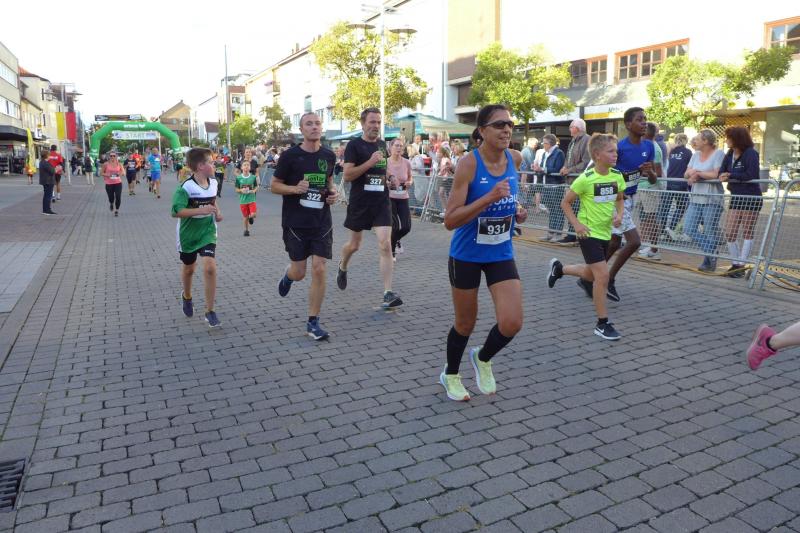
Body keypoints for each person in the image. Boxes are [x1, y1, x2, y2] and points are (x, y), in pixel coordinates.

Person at [440, 104, 528, 401]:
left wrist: (517, 210)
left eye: (510, 124)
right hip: (466, 255)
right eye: (499, 124)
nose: (507, 129)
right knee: (466, 322)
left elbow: (511, 196)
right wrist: (489, 198)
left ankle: (483, 357)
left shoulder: (515, 158)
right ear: (482, 131)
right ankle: (451, 374)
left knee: (512, 322)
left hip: (500, 252)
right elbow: (450, 220)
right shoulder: (469, 164)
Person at [547, 134, 625, 340]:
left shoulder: (617, 176)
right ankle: (602, 323)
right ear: (597, 155)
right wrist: (577, 225)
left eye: (616, 151)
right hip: (588, 233)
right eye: (611, 151)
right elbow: (565, 203)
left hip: (605, 233)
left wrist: (619, 215)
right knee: (602, 276)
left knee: (590, 274)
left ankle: (559, 269)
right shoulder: (585, 179)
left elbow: (619, 199)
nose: (615, 154)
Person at [271, 112, 338, 340]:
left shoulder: (329, 155)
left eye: (317, 123)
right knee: (299, 272)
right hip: (296, 222)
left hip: (321, 221)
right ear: (301, 130)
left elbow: (329, 182)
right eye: (309, 124)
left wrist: (333, 194)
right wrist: (294, 189)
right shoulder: (290, 156)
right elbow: (274, 185)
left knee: (319, 268)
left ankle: (313, 322)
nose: (314, 127)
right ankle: (288, 276)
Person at [337, 107, 403, 309]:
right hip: (360, 202)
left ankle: (387, 293)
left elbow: (381, 168)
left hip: (381, 201)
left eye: (378, 122)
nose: (376, 126)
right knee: (354, 245)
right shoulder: (354, 146)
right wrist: (370, 161)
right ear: (363, 124)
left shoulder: (382, 144)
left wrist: (391, 177)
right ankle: (343, 265)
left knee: (385, 244)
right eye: (372, 122)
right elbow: (348, 175)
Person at [603, 107, 658, 301]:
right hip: (616, 200)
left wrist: (649, 172)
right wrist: (621, 187)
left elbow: (653, 179)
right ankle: (608, 279)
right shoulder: (619, 148)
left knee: (614, 243)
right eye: (639, 119)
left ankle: (589, 276)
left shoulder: (649, 146)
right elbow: (604, 173)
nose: (644, 123)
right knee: (634, 241)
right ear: (628, 124)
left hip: (631, 199)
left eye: (645, 119)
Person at [171, 147, 222, 328]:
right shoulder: (186, 187)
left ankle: (210, 311)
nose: (214, 164)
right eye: (211, 162)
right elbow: (176, 211)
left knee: (210, 268)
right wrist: (201, 210)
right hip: (188, 234)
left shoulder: (214, 182)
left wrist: (217, 212)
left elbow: (212, 200)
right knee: (189, 269)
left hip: (207, 230)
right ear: (201, 166)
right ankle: (187, 296)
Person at [719, 126, 762, 278]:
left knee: (747, 231)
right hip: (736, 196)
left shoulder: (751, 153)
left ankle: (741, 265)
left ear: (737, 138)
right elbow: (722, 170)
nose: (726, 140)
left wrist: (731, 175)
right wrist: (723, 175)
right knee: (730, 232)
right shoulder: (729, 153)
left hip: (751, 196)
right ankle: (736, 263)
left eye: (729, 137)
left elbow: (751, 174)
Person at [683, 130, 726, 272]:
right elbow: (686, 173)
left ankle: (708, 262)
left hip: (712, 198)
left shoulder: (718, 154)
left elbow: (716, 174)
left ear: (706, 141)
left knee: (709, 231)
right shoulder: (695, 155)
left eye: (697, 139)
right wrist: (693, 173)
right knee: (688, 228)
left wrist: (698, 174)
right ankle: (712, 252)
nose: (694, 141)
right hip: (695, 198)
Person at [555, 119, 591, 245]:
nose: (569, 129)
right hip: (571, 181)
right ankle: (572, 234)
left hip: (580, 181)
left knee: (578, 209)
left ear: (577, 128)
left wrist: (569, 170)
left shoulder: (587, 140)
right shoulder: (572, 141)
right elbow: (568, 158)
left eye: (571, 127)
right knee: (571, 208)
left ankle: (577, 235)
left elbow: (586, 162)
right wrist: (564, 167)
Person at [637, 122, 666, 260]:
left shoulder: (655, 148)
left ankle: (655, 250)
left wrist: (641, 172)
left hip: (650, 189)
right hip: (642, 188)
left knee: (651, 218)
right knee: (645, 219)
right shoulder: (645, 146)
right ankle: (649, 246)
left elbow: (658, 173)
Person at [533, 134, 566, 241]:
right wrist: (538, 168)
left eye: (545, 143)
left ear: (550, 144)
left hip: (556, 185)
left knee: (557, 209)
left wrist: (542, 169)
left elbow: (558, 169)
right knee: (551, 209)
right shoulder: (545, 153)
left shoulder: (559, 153)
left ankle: (558, 234)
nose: (543, 145)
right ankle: (551, 233)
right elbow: (544, 167)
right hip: (546, 184)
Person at [660, 133, 692, 241]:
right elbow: (690, 167)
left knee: (665, 207)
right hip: (680, 183)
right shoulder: (688, 152)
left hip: (669, 182)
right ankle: (671, 228)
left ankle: (662, 231)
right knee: (682, 206)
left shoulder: (671, 151)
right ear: (685, 140)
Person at [387, 138, 413, 258]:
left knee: (407, 227)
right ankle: (392, 253)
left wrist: (409, 182)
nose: (399, 148)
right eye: (396, 145)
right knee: (395, 226)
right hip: (390, 197)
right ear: (390, 147)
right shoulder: (386, 162)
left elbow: (410, 177)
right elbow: (381, 177)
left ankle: (395, 240)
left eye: (401, 146)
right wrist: (386, 183)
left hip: (403, 197)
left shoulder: (406, 162)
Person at [234, 161, 259, 236]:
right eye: (244, 165)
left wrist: (254, 190)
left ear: (250, 168)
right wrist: (241, 190)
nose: (246, 166)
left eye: (248, 165)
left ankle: (251, 217)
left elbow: (256, 186)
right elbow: (236, 189)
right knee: (245, 217)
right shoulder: (238, 178)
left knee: (253, 214)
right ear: (241, 167)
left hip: (251, 199)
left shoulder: (253, 177)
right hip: (243, 200)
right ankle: (246, 230)